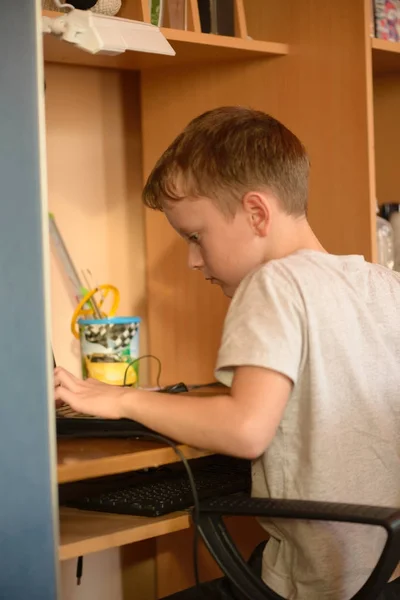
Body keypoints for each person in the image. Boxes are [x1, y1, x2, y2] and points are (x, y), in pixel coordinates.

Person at [54, 106, 400, 600]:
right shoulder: (384, 285)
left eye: (196, 237)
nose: (194, 260)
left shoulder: (273, 282)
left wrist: (122, 401)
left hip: (312, 588)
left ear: (257, 213)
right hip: (386, 577)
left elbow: (244, 429)